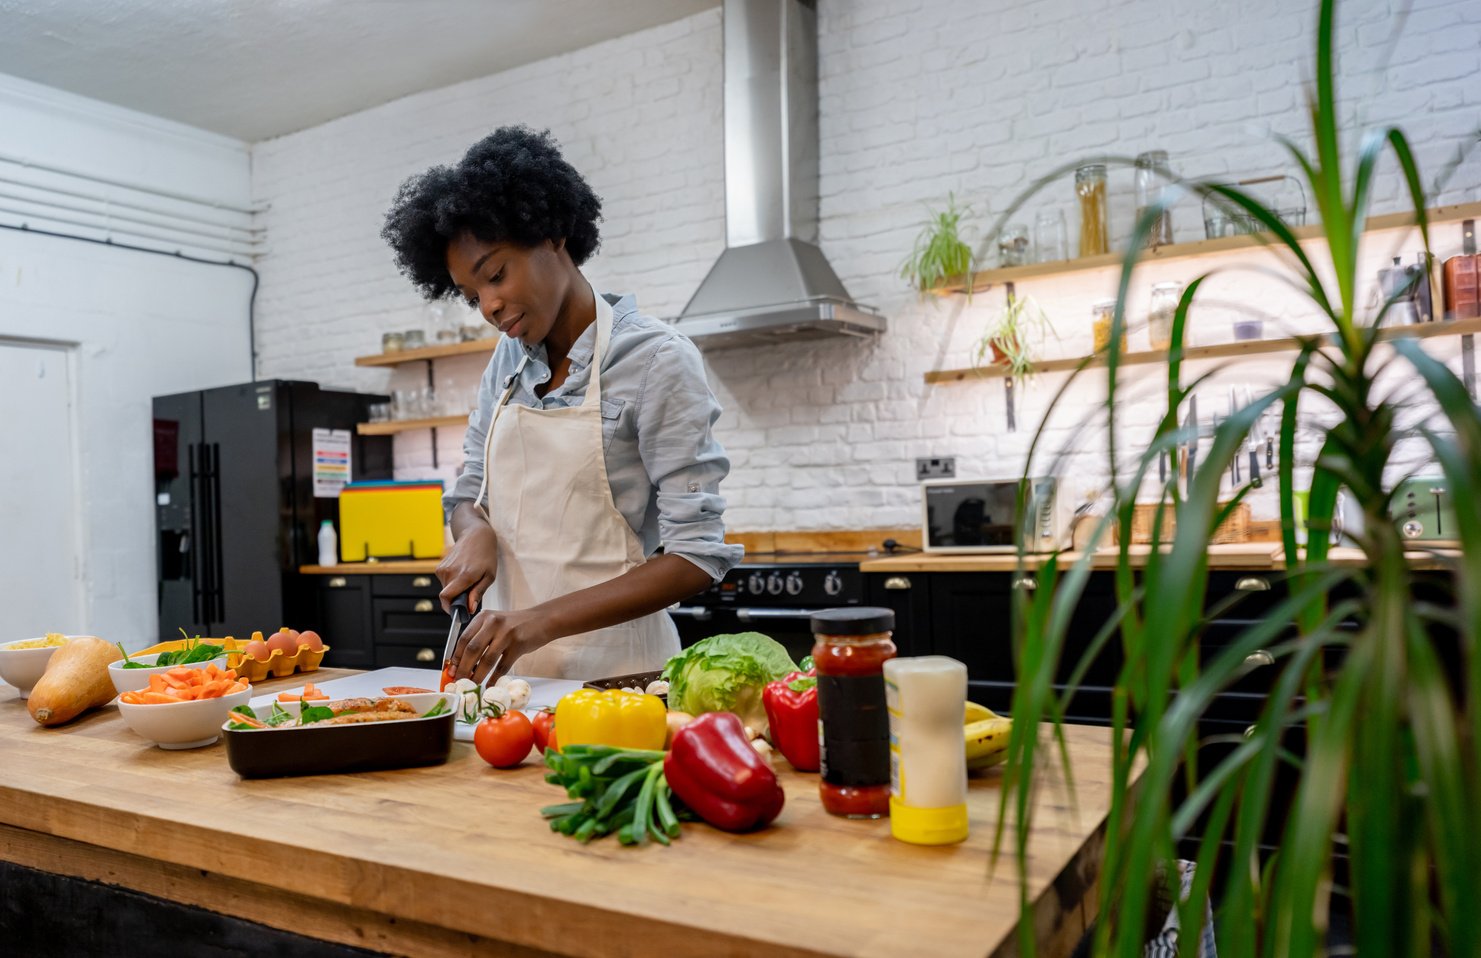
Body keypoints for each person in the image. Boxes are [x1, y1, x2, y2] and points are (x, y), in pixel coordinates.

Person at [381, 126, 743, 685]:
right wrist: (474, 531)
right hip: (510, 684)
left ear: (551, 234)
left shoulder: (655, 360)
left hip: (622, 678)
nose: (491, 307)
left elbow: (696, 557)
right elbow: (466, 494)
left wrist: (536, 624)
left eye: (496, 275)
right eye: (474, 297)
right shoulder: (505, 364)